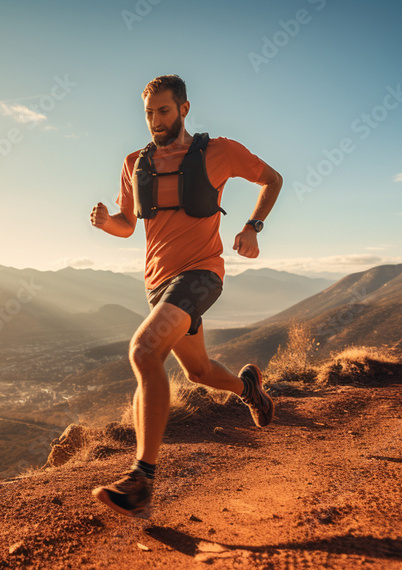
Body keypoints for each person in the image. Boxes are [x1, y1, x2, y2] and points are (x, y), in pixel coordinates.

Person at [88, 74, 283, 519]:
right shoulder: (134, 163)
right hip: (157, 284)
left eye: (164, 111)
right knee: (198, 371)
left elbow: (272, 179)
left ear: (184, 109)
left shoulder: (219, 152)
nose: (156, 121)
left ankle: (141, 479)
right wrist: (105, 223)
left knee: (144, 350)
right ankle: (249, 390)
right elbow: (127, 223)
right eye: (149, 113)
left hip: (201, 274)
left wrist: (252, 226)